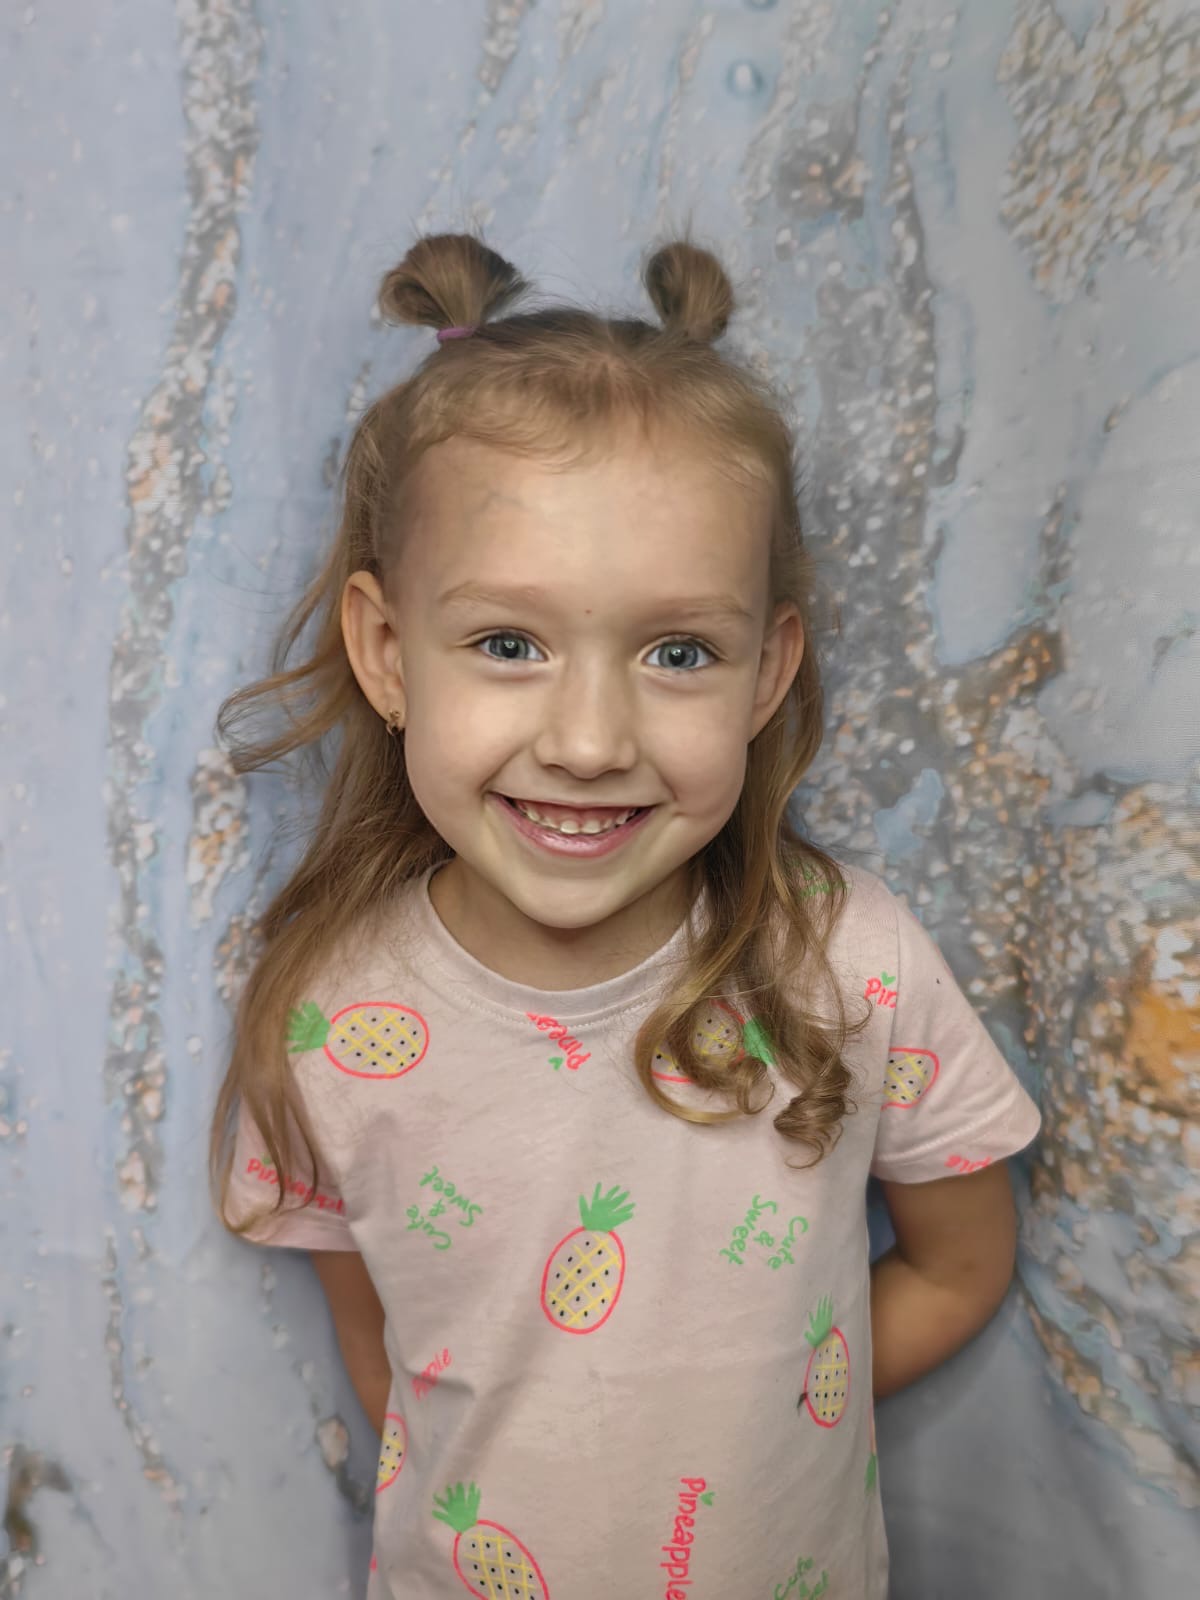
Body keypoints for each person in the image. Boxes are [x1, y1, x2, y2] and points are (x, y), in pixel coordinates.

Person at [210, 232, 1041, 1599]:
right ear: (385, 653)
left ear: (767, 673)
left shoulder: (856, 962)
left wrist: (750, 1438)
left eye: (677, 651)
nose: (590, 741)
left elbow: (958, 1267)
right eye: (509, 644)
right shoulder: (329, 1020)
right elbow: (394, 1360)